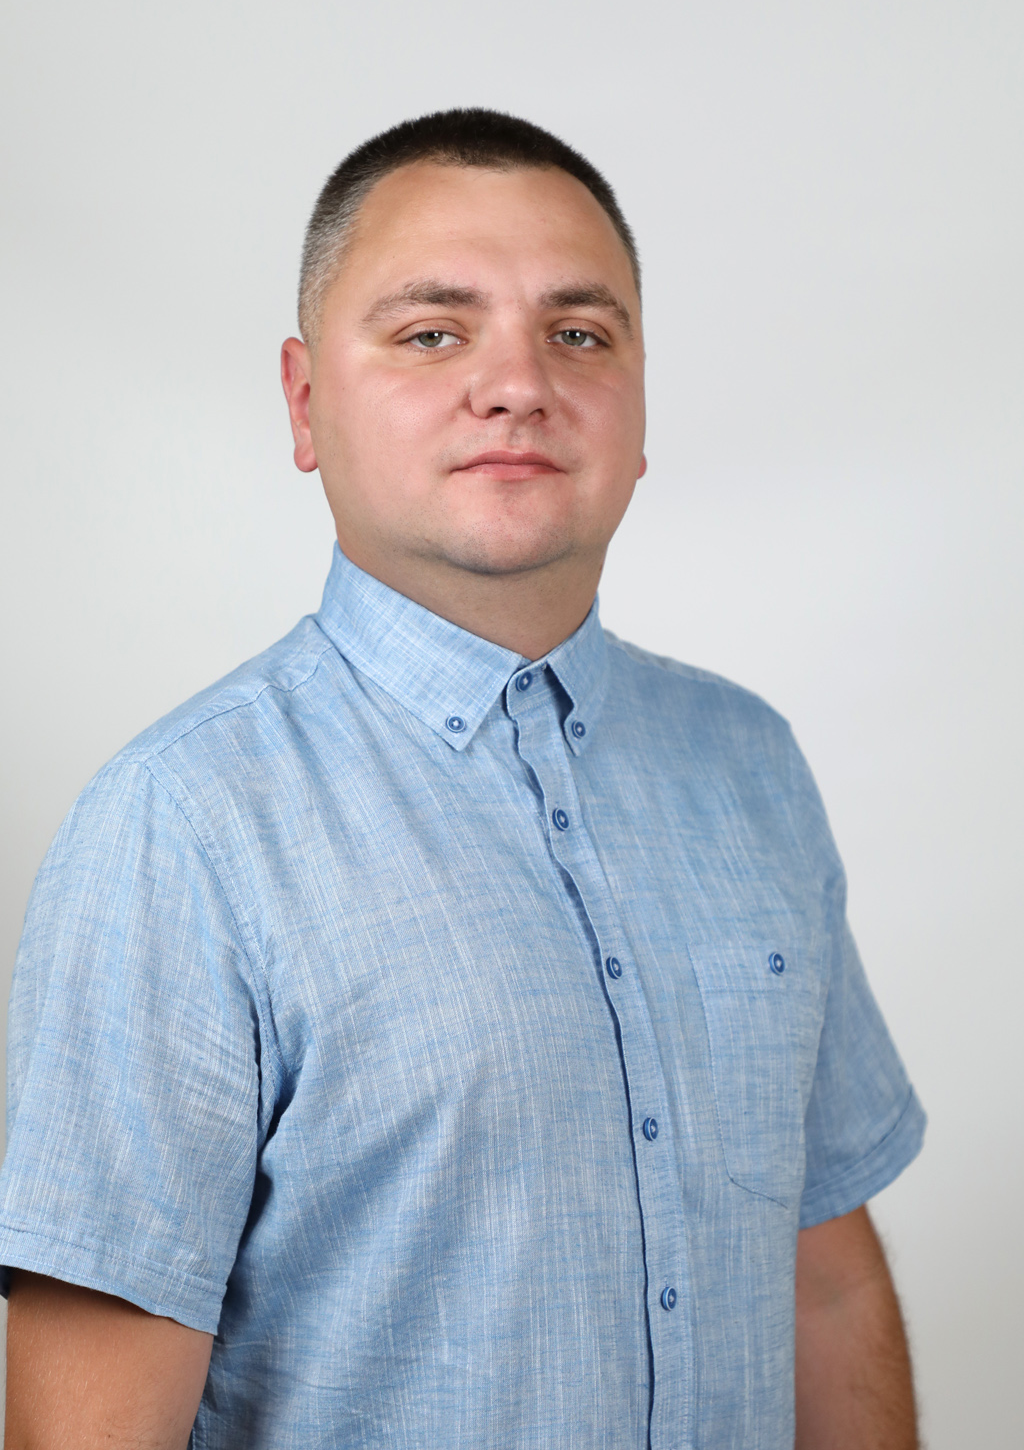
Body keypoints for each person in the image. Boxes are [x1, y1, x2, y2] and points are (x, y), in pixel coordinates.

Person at [0, 108, 925, 1450]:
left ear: (642, 405)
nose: (517, 385)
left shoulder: (751, 767)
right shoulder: (181, 827)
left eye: (579, 334)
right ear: (306, 404)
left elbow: (825, 1282)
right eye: (434, 333)